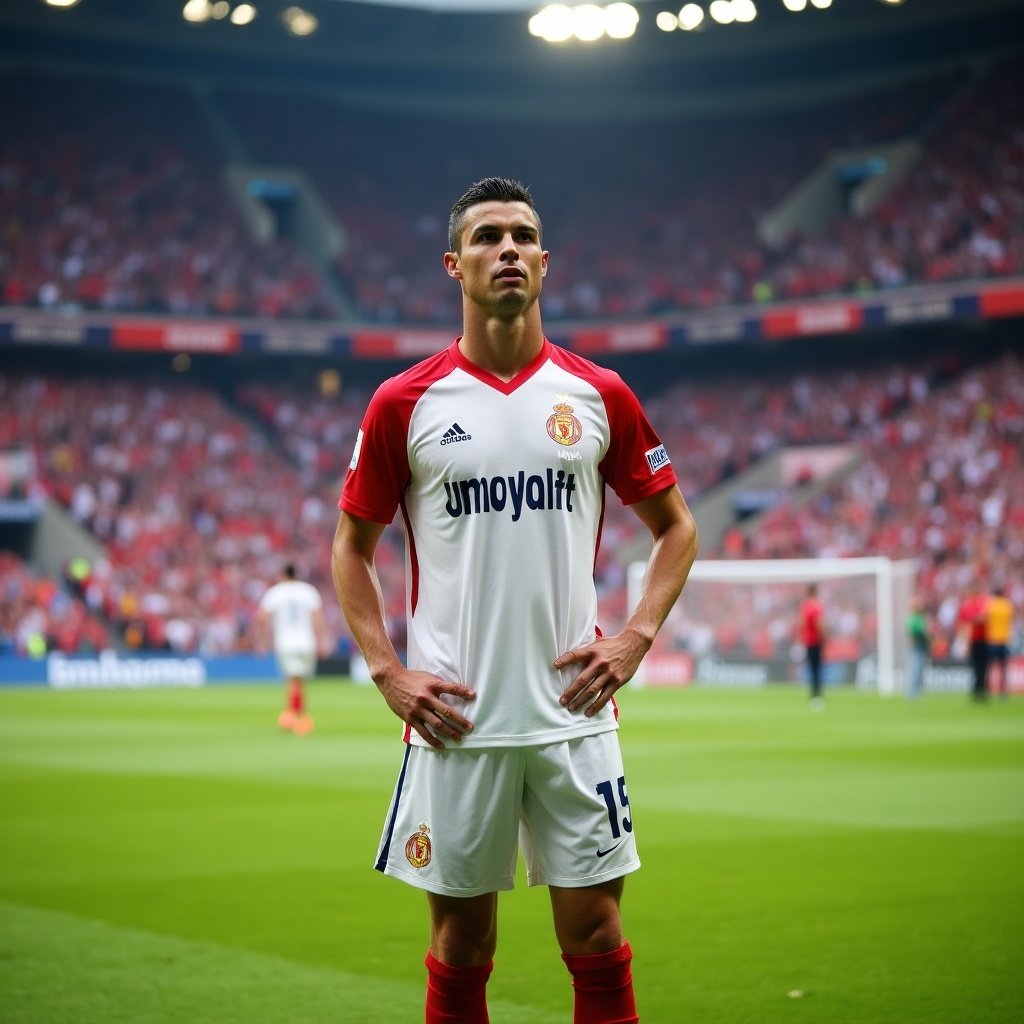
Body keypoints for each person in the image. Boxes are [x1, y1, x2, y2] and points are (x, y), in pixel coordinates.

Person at [331, 177, 698, 1024]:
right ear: (454, 264)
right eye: (489, 237)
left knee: (600, 939)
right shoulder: (404, 403)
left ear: (545, 262)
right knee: (462, 951)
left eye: (523, 236)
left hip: (574, 712)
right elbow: (351, 550)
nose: (508, 250)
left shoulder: (597, 393)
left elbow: (677, 527)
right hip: (459, 719)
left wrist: (636, 636)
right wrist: (388, 671)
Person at [255, 563, 328, 735]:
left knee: (292, 680)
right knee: (299, 680)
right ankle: (297, 715)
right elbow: (317, 617)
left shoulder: (275, 592)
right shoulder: (308, 591)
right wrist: (323, 639)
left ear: (283, 575)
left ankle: (293, 716)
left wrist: (262, 641)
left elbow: (261, 618)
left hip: (285, 642)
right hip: (306, 642)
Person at [956, 581, 990, 702]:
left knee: (984, 666)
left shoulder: (981, 602)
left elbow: (984, 617)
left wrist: (973, 620)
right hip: (972, 641)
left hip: (983, 639)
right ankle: (976, 690)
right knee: (975, 667)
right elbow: (962, 624)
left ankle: (982, 690)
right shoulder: (966, 605)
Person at [796, 583, 826, 709]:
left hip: (808, 641)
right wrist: (824, 638)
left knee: (812, 668)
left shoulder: (805, 606)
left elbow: (801, 624)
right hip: (816, 641)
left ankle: (813, 695)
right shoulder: (816, 606)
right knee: (817, 669)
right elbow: (820, 625)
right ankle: (817, 695)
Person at [985, 585, 1014, 699]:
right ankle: (1003, 691)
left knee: (989, 667)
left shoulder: (991, 605)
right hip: (1004, 640)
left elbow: (985, 618)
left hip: (992, 639)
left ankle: (987, 689)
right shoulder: (1007, 605)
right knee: (1003, 668)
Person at [905, 594, 931, 699]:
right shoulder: (913, 618)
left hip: (922, 647)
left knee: (919, 669)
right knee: (915, 669)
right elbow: (912, 633)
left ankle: (917, 691)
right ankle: (912, 692)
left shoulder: (920, 618)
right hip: (917, 647)